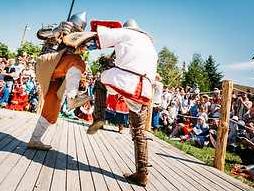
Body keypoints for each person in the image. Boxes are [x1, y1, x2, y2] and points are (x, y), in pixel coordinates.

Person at [85, 18, 157, 186]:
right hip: (144, 90)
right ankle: (142, 174)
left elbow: (97, 38)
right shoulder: (149, 46)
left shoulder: (125, 33)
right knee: (139, 132)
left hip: (125, 80)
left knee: (99, 82)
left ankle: (99, 117)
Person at [28, 12, 92, 151]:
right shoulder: (58, 27)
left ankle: (34, 140)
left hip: (58, 74)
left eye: (79, 29)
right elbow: (39, 34)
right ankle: (72, 98)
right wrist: (56, 30)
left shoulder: (78, 39)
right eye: (75, 26)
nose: (76, 30)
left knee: (52, 109)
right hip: (46, 63)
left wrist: (92, 42)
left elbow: (89, 46)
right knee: (77, 60)